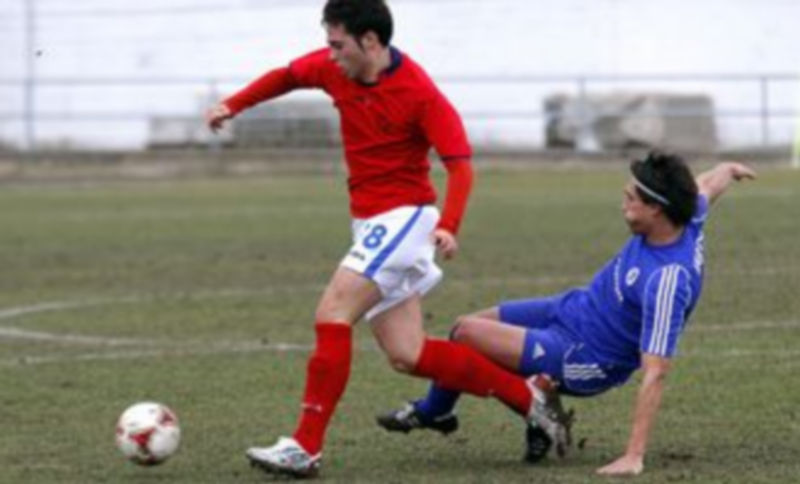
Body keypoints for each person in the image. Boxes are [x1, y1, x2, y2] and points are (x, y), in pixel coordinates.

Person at [207, 0, 563, 478]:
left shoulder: (419, 92)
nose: (330, 55)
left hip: (405, 219)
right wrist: (234, 104)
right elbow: (286, 76)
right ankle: (531, 399)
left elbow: (460, 165)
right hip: (371, 223)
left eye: (338, 45)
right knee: (408, 354)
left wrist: (449, 225)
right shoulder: (335, 69)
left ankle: (305, 446)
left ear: (370, 42)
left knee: (333, 312)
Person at [378, 152, 757, 477]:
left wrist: (634, 456)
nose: (622, 204)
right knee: (471, 324)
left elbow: (655, 371)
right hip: (571, 308)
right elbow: (704, 185)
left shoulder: (667, 280)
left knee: (465, 333)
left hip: (585, 355)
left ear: (656, 208)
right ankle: (454, 412)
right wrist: (727, 168)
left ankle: (516, 409)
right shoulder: (687, 215)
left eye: (630, 198)